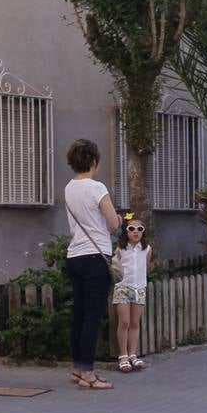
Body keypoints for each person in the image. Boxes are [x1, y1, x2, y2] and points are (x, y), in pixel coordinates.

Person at [64, 138, 123, 390]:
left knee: (79, 315)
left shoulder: (68, 188)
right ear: (93, 161)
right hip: (95, 256)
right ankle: (88, 373)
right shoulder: (97, 188)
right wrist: (119, 219)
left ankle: (77, 368)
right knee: (92, 317)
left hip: (74, 255)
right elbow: (112, 222)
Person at [111, 214, 154, 373]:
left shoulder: (147, 249)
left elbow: (146, 265)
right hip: (123, 287)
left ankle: (132, 354)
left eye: (139, 229)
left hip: (139, 287)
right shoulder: (121, 249)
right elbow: (115, 268)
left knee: (135, 323)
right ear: (126, 232)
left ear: (143, 232)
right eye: (131, 229)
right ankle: (123, 356)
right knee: (124, 322)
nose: (135, 232)